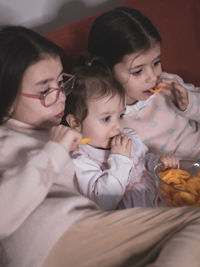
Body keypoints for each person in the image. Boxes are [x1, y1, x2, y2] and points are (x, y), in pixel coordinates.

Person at [1, 25, 200, 267]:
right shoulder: (8, 140)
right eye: (45, 90)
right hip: (50, 238)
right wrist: (55, 150)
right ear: (8, 100)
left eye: (61, 82)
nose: (62, 97)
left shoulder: (53, 127)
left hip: (89, 225)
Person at [64, 54, 179, 210]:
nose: (117, 126)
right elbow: (104, 202)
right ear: (76, 123)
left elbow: (145, 160)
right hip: (134, 221)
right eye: (106, 119)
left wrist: (160, 164)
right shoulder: (82, 159)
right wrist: (120, 159)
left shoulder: (128, 136)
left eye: (120, 115)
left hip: (160, 204)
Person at [88, 6, 200, 159]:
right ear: (107, 71)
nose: (153, 77)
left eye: (156, 63)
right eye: (137, 71)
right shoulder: (110, 118)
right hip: (176, 178)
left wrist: (189, 104)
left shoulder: (170, 84)